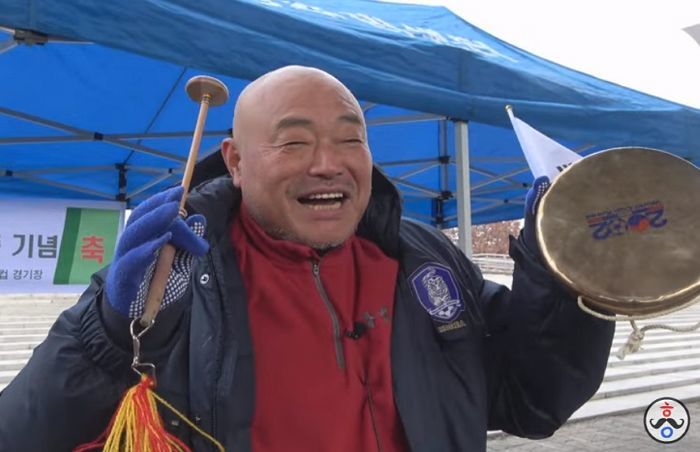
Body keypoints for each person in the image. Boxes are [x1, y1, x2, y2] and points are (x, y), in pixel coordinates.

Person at [0, 66, 614, 451]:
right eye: (294, 141)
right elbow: (22, 434)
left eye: (351, 139)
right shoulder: (169, 272)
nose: (329, 162)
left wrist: (569, 276)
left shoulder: (424, 260)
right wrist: (108, 335)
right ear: (235, 161)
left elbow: (531, 400)